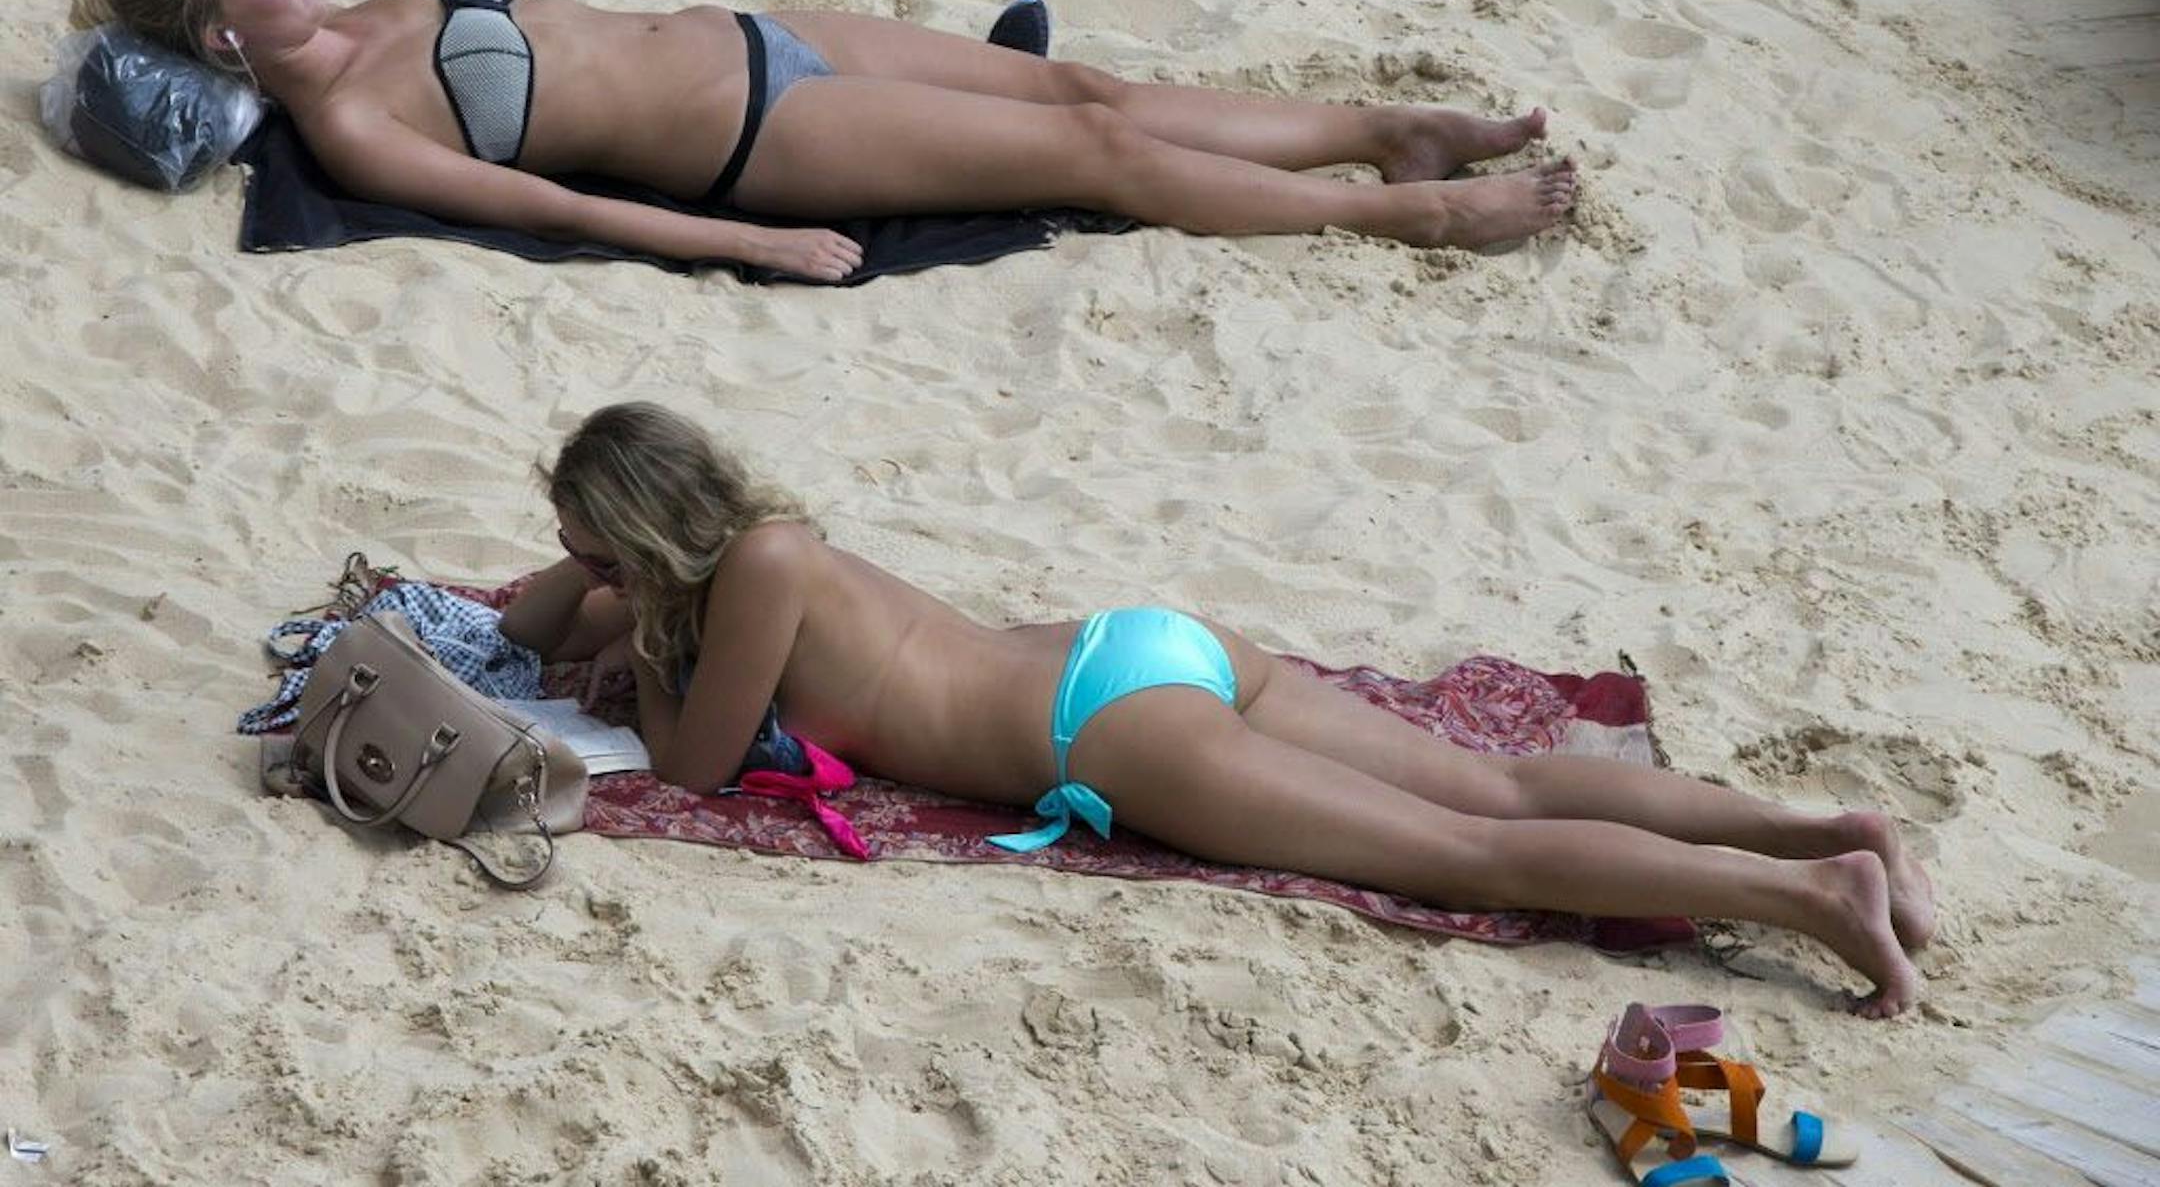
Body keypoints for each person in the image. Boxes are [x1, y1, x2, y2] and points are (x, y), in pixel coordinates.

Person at [500, 403, 1934, 1017]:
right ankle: (1832, 829)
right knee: (1492, 787)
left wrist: (630, 635)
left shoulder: (754, 572)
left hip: (1101, 731)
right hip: (1146, 641)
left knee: (1480, 854)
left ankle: (1810, 893)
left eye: (594, 542)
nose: (583, 569)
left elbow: (688, 769)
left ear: (642, 535)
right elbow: (521, 622)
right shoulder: (770, 539)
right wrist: (592, 590)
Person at [79, 0, 1579, 283]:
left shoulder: (377, 1)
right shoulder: (348, 124)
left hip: (759, 33)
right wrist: (753, 247)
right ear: (230, 44)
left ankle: (1386, 130)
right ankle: (1413, 214)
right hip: (757, 140)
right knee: (1095, 153)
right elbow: (548, 205)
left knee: (1082, 81)